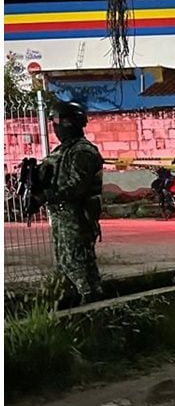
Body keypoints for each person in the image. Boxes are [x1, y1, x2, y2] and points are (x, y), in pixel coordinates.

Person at [36, 101, 103, 302]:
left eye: (57, 122)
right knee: (67, 263)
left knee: (78, 264)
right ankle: (87, 303)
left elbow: (76, 187)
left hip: (77, 217)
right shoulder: (62, 151)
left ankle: (92, 306)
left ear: (68, 123)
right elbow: (51, 176)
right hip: (63, 217)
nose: (55, 128)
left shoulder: (83, 151)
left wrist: (46, 196)